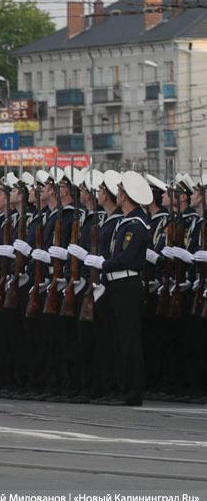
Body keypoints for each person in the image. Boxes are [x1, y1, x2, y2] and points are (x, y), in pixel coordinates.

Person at [84, 170, 152, 406]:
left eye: (121, 191)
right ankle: (123, 388)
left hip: (126, 283)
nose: (118, 194)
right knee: (119, 339)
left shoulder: (136, 224)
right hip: (117, 282)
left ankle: (133, 393)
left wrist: (101, 263)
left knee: (129, 340)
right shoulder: (127, 221)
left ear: (126, 196)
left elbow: (126, 257)